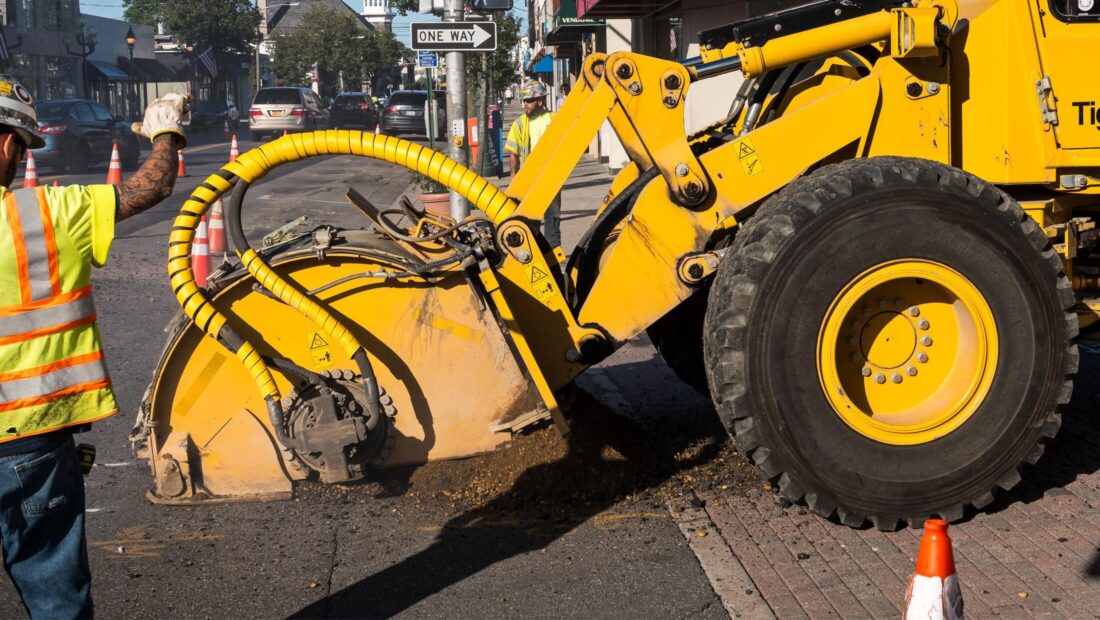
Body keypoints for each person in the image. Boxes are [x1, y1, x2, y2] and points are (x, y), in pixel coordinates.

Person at [0, 78, 188, 618]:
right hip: (28, 442)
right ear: (9, 145)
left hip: (30, 443)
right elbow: (151, 187)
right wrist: (166, 133)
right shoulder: (46, 214)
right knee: (54, 594)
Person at [505, 81, 561, 249]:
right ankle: (535, 252)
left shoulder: (555, 120)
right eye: (524, 101)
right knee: (530, 219)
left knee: (552, 218)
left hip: (551, 177)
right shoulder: (520, 123)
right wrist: (513, 176)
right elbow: (513, 154)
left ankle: (554, 251)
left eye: (529, 100)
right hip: (529, 179)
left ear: (540, 101)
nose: (525, 104)